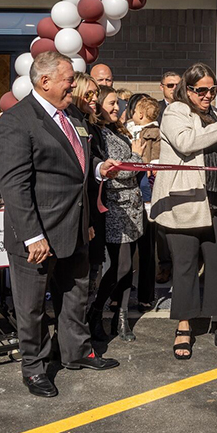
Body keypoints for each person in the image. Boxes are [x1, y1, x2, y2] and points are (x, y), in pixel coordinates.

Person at [0, 51, 121, 399]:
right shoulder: (17, 121)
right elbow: (14, 185)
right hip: (38, 235)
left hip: (76, 228)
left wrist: (98, 168)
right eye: (68, 78)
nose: (73, 84)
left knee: (76, 294)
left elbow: (78, 163)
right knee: (32, 306)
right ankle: (34, 368)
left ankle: (76, 352)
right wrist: (32, 236)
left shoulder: (73, 117)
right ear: (44, 80)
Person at [150, 63, 217, 360]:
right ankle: (183, 327)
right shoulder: (176, 111)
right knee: (185, 266)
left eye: (212, 90)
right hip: (186, 201)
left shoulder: (216, 115)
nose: (207, 95)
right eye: (200, 90)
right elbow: (186, 143)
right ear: (187, 90)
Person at [88, 86, 146, 342]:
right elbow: (120, 171)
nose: (116, 108)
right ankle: (95, 311)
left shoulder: (117, 131)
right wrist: (137, 154)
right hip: (114, 207)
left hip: (132, 206)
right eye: (111, 103)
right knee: (119, 266)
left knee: (128, 266)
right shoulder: (99, 133)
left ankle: (121, 318)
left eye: (117, 104)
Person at [69, 72, 107, 297]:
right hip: (84, 205)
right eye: (89, 93)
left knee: (95, 264)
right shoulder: (73, 121)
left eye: (96, 93)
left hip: (96, 201)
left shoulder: (90, 123)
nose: (94, 98)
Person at [129, 95, 162, 309]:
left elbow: (156, 161)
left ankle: (146, 295)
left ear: (140, 114)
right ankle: (133, 295)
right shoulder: (130, 130)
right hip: (133, 194)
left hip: (146, 188)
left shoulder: (151, 134)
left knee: (146, 249)